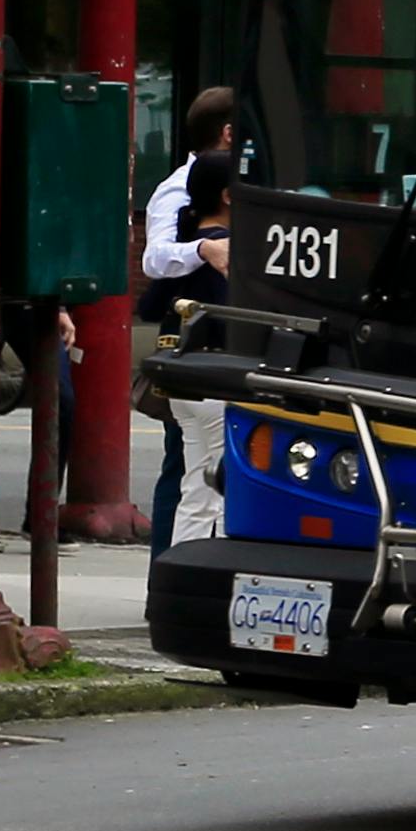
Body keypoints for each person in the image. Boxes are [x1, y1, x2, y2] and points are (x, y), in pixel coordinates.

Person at [138, 87, 238, 547]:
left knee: (193, 478)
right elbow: (154, 259)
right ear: (228, 132)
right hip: (198, 349)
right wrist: (203, 248)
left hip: (203, 351)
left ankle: (170, 585)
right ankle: (168, 575)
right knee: (191, 473)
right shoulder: (179, 186)